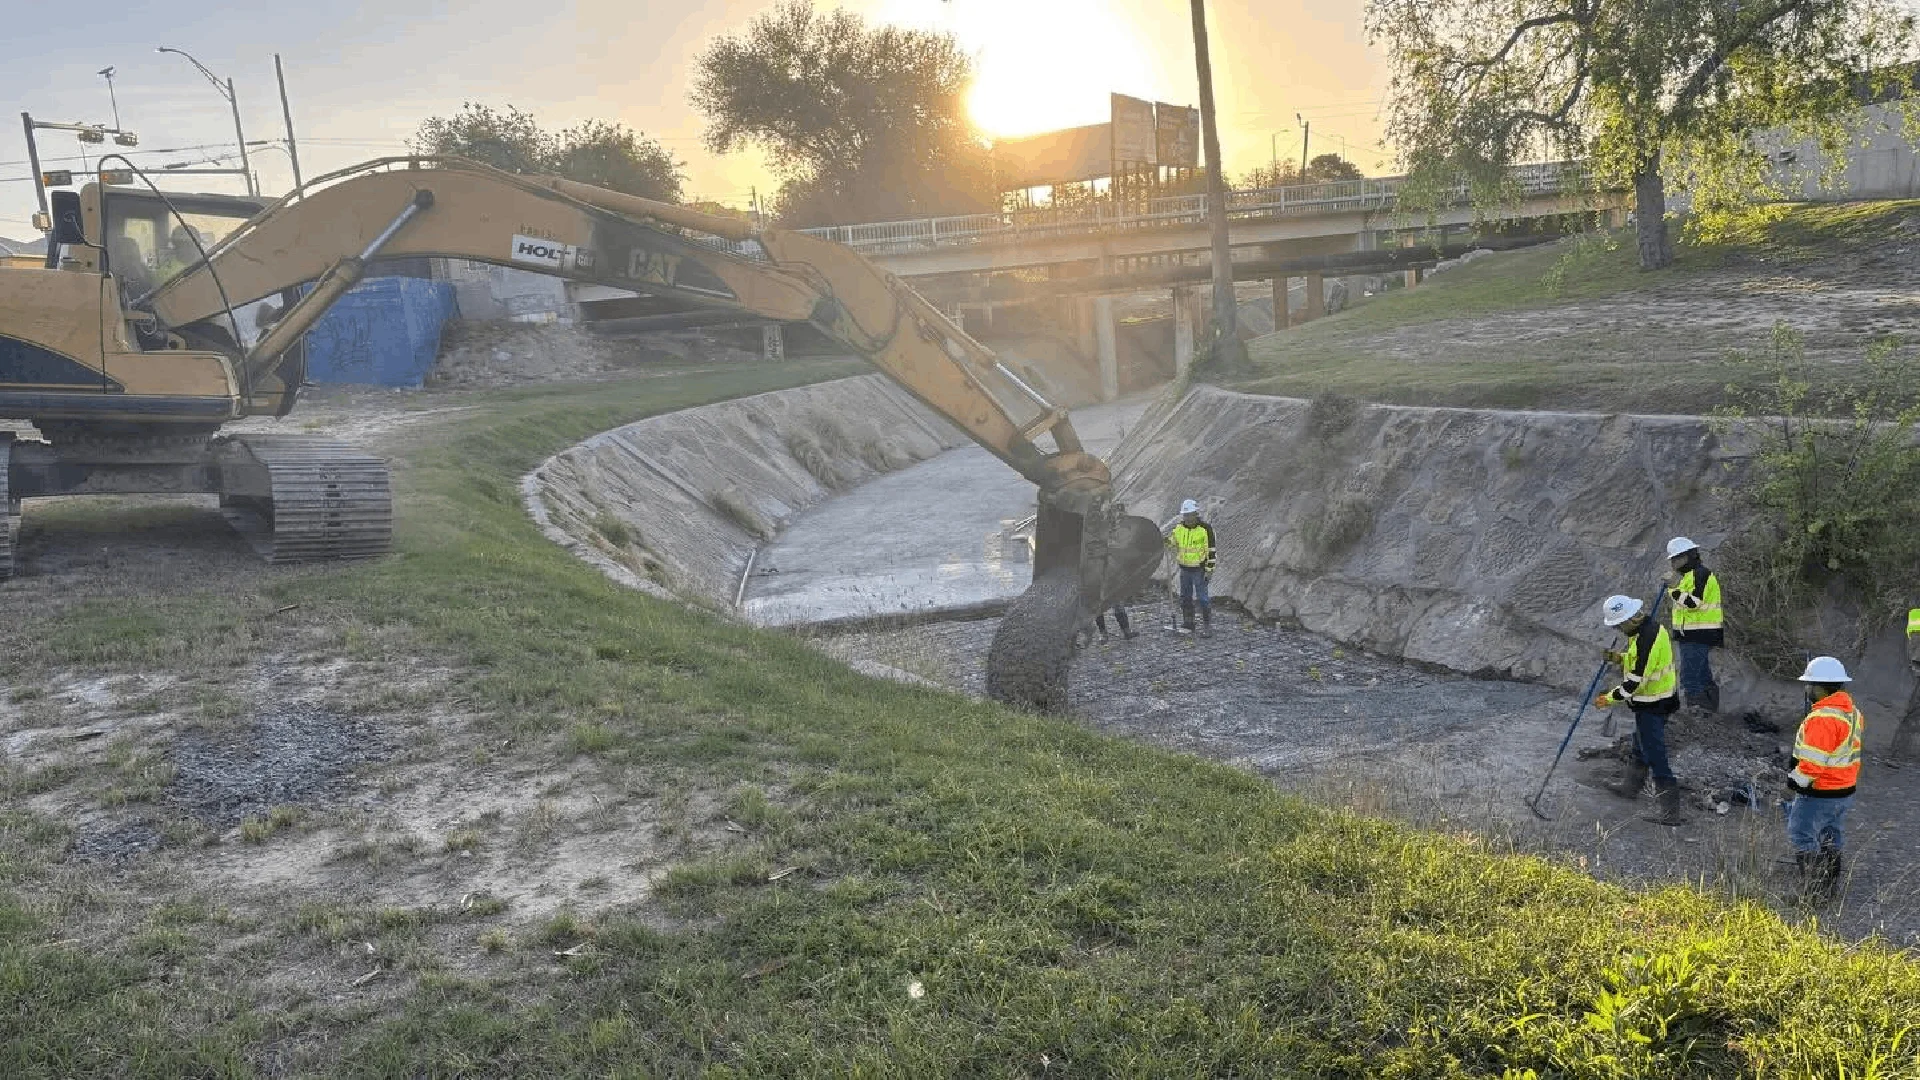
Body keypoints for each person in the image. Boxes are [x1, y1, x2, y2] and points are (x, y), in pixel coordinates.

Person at [1594, 594, 1686, 825]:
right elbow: (1639, 661)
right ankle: (1629, 787)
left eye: (1617, 625)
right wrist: (1618, 658)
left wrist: (1608, 698)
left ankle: (1670, 812)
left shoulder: (1646, 639)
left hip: (1653, 704)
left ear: (1628, 620)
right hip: (1660, 699)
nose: (1617, 629)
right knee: (1640, 744)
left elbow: (1636, 682)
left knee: (1655, 754)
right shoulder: (1649, 629)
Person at [1784, 656, 1863, 899]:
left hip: (1821, 790)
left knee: (1801, 834)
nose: (1806, 689)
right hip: (1844, 788)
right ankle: (1830, 886)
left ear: (1819, 686)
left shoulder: (1823, 719)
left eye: (1809, 684)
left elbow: (1813, 764)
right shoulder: (1850, 712)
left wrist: (1794, 782)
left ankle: (1814, 893)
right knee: (1831, 835)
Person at [1664, 536, 1723, 716]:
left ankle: (1697, 714)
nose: (1674, 563)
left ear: (1688, 556)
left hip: (1698, 633)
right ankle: (1710, 711)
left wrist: (1673, 588)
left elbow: (1693, 603)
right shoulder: (1689, 577)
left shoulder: (1700, 574)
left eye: (1676, 558)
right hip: (1692, 633)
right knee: (1702, 673)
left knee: (1690, 677)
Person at [1166, 498, 1216, 636]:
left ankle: (1207, 626)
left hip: (1199, 570)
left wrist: (1209, 569)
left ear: (1196, 514)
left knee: (1203, 598)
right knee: (1185, 597)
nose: (1188, 518)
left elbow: (1211, 550)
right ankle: (1189, 623)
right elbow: (1172, 542)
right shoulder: (1179, 529)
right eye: (1185, 515)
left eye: (1190, 514)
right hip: (1184, 569)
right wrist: (1166, 542)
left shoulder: (1205, 529)